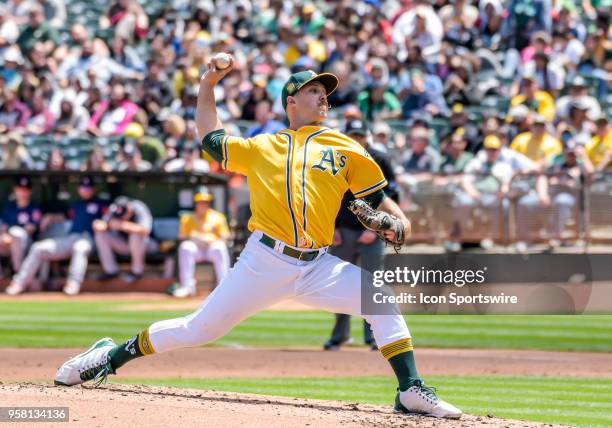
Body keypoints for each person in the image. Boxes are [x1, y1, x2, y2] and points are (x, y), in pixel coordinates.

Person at [55, 61, 462, 420]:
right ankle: (109, 356)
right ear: (291, 101)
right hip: (264, 261)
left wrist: (400, 219)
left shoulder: (344, 146)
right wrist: (208, 85)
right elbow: (210, 137)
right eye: (314, 91)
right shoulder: (263, 146)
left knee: (380, 299)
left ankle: (410, 390)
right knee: (198, 329)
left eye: (325, 92)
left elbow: (376, 198)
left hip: (318, 264)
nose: (323, 98)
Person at [323, 119, 399, 351]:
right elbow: (325, 195)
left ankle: (375, 337)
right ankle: (340, 336)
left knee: (373, 286)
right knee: (339, 285)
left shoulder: (380, 159)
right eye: (353, 136)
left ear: (368, 137)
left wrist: (374, 229)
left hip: (371, 233)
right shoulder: (334, 158)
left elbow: (390, 195)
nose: (357, 140)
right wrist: (331, 228)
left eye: (360, 136)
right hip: (342, 231)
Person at [5, 176, 106, 295]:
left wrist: (104, 223)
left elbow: (109, 218)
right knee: (38, 248)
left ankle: (73, 283)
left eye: (88, 188)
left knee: (80, 248)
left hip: (88, 239)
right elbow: (65, 218)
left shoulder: (101, 204)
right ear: (78, 189)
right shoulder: (75, 205)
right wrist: (50, 217)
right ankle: (19, 283)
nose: (86, 191)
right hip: (70, 238)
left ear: (93, 189)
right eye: (83, 188)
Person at [169, 186, 230, 298]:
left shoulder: (218, 217)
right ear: (195, 203)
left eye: (205, 202)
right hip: (197, 250)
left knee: (220, 247)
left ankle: (223, 287)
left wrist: (211, 239)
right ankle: (187, 287)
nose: (203, 204)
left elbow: (225, 238)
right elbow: (181, 237)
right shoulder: (187, 218)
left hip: (211, 249)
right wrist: (194, 237)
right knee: (185, 247)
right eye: (200, 202)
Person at [93, 196, 154, 283]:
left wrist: (122, 225)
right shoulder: (113, 208)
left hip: (147, 244)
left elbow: (145, 230)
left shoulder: (139, 207)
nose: (122, 217)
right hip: (125, 245)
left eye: (124, 214)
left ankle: (137, 271)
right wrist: (104, 225)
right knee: (100, 235)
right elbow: (101, 224)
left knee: (135, 236)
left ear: (129, 208)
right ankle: (111, 271)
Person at [0, 176, 41, 281]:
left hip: (28, 243)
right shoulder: (9, 207)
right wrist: (5, 235)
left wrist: (11, 235)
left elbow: (30, 229)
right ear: (15, 190)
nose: (22, 192)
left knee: (16, 233)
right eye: (20, 189)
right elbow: (3, 226)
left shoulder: (34, 208)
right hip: (9, 242)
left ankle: (18, 273)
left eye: (25, 189)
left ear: (30, 191)